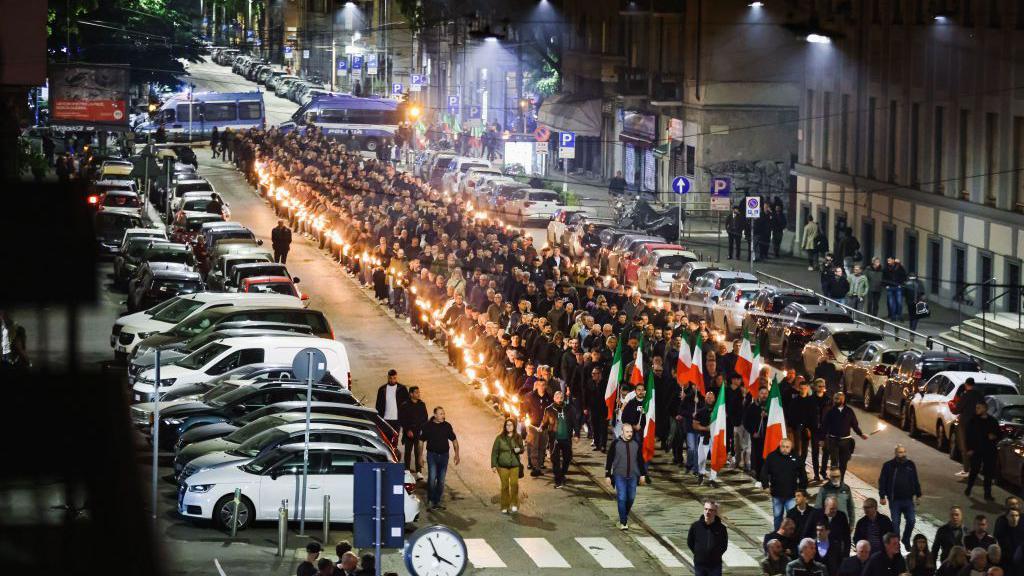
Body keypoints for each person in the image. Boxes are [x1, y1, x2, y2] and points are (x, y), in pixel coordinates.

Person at [878, 444, 922, 549]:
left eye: (903, 452)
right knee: (895, 525)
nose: (902, 454)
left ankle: (906, 539)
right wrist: (882, 496)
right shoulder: (888, 465)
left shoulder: (910, 465)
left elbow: (915, 480)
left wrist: (918, 494)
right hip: (895, 501)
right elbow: (882, 481)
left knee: (911, 521)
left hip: (908, 500)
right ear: (895, 453)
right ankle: (896, 545)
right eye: (899, 452)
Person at [605, 424, 647, 530]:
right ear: (622, 432)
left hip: (633, 475)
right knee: (622, 498)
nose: (629, 434)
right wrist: (607, 475)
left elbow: (640, 460)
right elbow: (609, 460)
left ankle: (624, 514)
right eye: (627, 432)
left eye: (631, 432)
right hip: (619, 475)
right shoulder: (615, 444)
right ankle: (623, 521)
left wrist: (642, 474)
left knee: (631, 498)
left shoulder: (636, 444)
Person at [820, 391, 867, 484]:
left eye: (837, 399)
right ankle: (833, 481)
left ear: (843, 399)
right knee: (834, 463)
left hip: (846, 441)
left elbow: (854, 425)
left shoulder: (849, 411)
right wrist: (822, 439)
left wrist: (861, 434)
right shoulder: (830, 411)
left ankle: (841, 481)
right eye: (834, 399)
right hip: (833, 440)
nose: (835, 400)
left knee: (843, 463)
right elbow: (824, 426)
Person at [761, 438, 808, 530]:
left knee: (792, 518)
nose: (785, 449)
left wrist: (802, 489)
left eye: (787, 447)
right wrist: (765, 486)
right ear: (780, 446)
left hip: (791, 495)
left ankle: (792, 536)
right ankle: (778, 535)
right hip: (777, 494)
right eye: (783, 446)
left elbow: (803, 474)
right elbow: (764, 472)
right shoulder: (772, 457)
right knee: (777, 517)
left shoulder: (796, 458)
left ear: (791, 448)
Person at [420, 406, 460, 510]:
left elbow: (454, 440)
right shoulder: (427, 426)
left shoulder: (447, 426)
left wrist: (457, 454)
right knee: (432, 478)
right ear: (435, 415)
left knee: (441, 480)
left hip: (444, 456)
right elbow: (421, 441)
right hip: (432, 455)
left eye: (444, 413)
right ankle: (430, 500)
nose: (443, 416)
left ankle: (437, 501)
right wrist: (420, 456)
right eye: (441, 414)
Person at [965, 401, 1000, 500]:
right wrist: (969, 449)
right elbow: (968, 436)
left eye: (979, 408)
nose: (977, 410)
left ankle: (987, 494)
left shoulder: (993, 421)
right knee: (974, 470)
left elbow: (999, 434)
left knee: (988, 473)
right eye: (976, 408)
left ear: (985, 409)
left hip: (989, 451)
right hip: (976, 450)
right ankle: (969, 487)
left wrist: (994, 436)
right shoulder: (973, 421)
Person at [542, 390, 578, 488]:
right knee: (555, 460)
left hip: (566, 438)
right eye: (557, 398)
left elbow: (575, 422)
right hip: (555, 440)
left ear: (564, 398)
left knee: (568, 458)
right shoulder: (549, 409)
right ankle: (558, 481)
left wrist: (577, 434)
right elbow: (544, 423)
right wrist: (541, 428)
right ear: (554, 398)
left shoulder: (570, 408)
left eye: (561, 398)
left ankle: (562, 475)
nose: (559, 400)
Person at [490, 418, 524, 514]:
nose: (509, 427)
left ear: (514, 426)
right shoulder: (499, 438)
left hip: (514, 465)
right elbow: (494, 452)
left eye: (511, 425)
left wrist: (519, 450)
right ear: (505, 427)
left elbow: (522, 448)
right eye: (507, 425)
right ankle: (504, 505)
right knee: (504, 486)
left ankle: (514, 504)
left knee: (514, 485)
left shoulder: (518, 437)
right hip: (502, 466)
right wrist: (493, 465)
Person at [688, 499, 729, 576]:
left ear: (715, 512)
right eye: (706, 509)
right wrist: (698, 553)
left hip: (715, 564)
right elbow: (690, 542)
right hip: (700, 564)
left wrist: (715, 555)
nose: (707, 512)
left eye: (710, 510)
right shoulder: (695, 526)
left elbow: (724, 545)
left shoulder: (721, 528)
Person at [399, 386, 428, 479]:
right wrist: (407, 430)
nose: (418, 394)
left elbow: (425, 418)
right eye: (416, 392)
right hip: (409, 433)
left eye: (419, 392)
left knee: (418, 452)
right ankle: (407, 470)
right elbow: (402, 419)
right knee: (408, 451)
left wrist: (422, 429)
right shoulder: (405, 405)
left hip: (419, 432)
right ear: (411, 394)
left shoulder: (422, 404)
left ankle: (419, 471)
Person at [375, 369, 410, 434]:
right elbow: (378, 405)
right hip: (385, 419)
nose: (392, 380)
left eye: (394, 378)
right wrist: (379, 418)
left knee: (395, 439)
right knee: (385, 440)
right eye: (390, 378)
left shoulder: (402, 389)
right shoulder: (382, 389)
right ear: (388, 377)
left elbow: (407, 404)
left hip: (397, 420)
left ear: (396, 377)